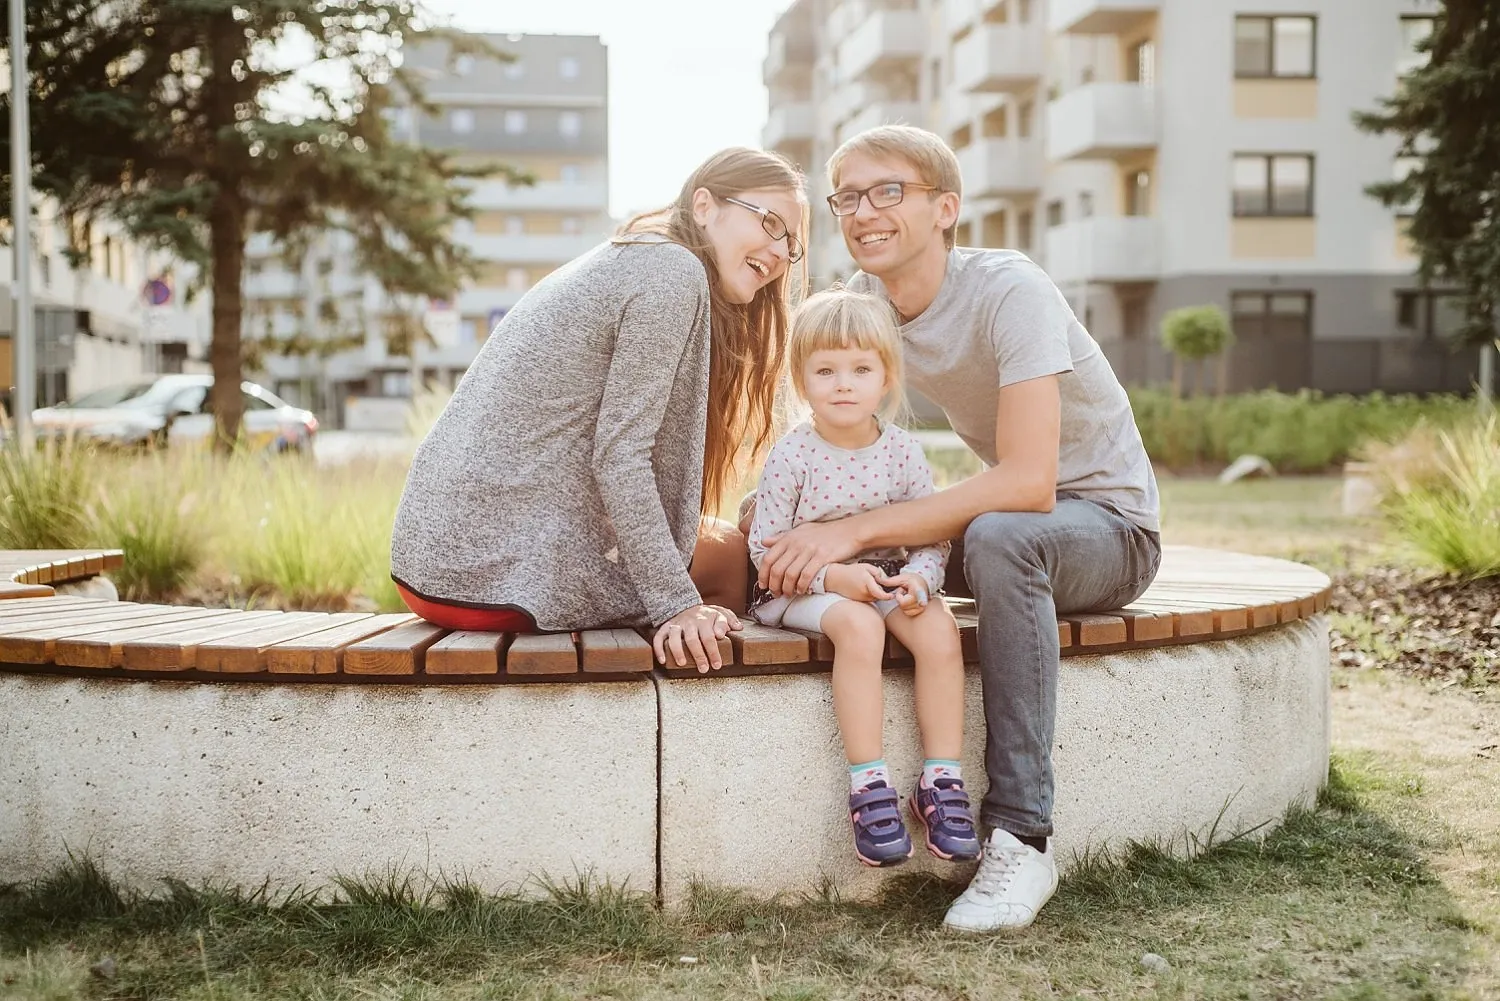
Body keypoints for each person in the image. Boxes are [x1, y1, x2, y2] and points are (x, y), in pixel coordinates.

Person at [756, 126, 1162, 932]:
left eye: (888, 191)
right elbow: (815, 432)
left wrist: (853, 531)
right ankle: (888, 783)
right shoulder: (865, 307)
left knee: (1000, 535)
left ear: (947, 208)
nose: (864, 211)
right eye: (847, 197)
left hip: (1106, 530)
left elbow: (1027, 482)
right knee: (939, 545)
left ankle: (1021, 837)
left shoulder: (1011, 288)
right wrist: (791, 547)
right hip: (1003, 530)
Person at [391, 148, 806, 672]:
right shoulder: (672, 272)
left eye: (790, 242)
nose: (777, 251)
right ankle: (700, 744)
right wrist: (677, 606)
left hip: (434, 561)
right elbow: (621, 455)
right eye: (769, 222)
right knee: (737, 566)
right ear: (704, 205)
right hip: (493, 574)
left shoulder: (633, 254)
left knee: (723, 543)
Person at [747, 287, 980, 869]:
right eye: (825, 370)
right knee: (857, 627)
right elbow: (763, 551)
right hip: (798, 590)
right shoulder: (794, 454)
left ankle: (940, 781)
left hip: (884, 583)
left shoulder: (902, 452)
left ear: (886, 377)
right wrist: (834, 577)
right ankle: (868, 785)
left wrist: (921, 582)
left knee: (938, 632)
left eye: (859, 369)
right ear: (803, 382)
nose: (843, 384)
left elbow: (930, 536)